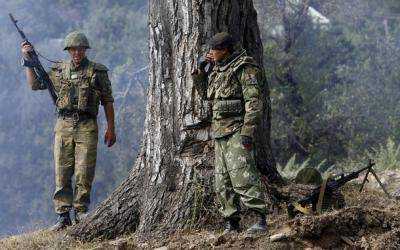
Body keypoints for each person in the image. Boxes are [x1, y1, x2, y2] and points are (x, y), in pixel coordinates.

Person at [21, 31, 116, 230]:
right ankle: (63, 215)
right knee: (62, 171)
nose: (77, 53)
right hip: (63, 125)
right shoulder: (58, 71)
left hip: (87, 125)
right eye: (73, 49)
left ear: (85, 50)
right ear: (68, 50)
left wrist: (111, 128)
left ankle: (81, 212)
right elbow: (34, 84)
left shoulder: (97, 71)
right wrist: (27, 59)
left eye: (80, 49)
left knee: (84, 171)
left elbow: (107, 101)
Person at [192, 32, 267, 234]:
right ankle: (231, 223)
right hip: (219, 132)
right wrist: (200, 71)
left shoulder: (244, 67)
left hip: (236, 130)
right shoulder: (217, 69)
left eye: (214, 50)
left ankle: (260, 220)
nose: (210, 53)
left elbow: (254, 103)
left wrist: (247, 132)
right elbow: (206, 95)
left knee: (243, 177)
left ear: (225, 50)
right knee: (222, 182)